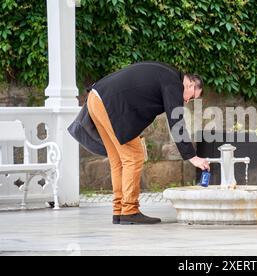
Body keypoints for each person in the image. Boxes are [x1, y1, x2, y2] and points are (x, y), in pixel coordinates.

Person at [68, 61, 210, 225]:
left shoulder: (166, 74)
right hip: (110, 105)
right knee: (134, 156)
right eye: (191, 97)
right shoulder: (174, 83)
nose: (186, 101)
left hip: (96, 99)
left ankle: (119, 210)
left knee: (118, 160)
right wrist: (192, 156)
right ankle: (129, 210)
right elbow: (176, 121)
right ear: (189, 84)